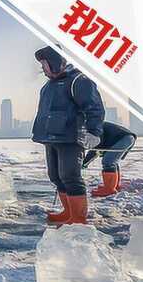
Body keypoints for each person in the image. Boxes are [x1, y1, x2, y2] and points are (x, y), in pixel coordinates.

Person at [31, 46, 104, 224]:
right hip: (51, 137)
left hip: (70, 138)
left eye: (45, 64)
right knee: (55, 176)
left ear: (56, 63)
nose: (43, 69)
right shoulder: (48, 86)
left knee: (70, 177)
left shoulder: (79, 81)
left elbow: (94, 108)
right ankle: (68, 212)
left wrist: (94, 132)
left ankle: (78, 219)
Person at [82, 121, 136, 197]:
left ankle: (109, 189)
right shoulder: (92, 125)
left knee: (108, 161)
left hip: (124, 138)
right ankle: (114, 186)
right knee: (112, 161)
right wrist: (85, 162)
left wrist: (84, 163)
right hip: (126, 137)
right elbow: (97, 147)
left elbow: (97, 147)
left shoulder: (92, 127)